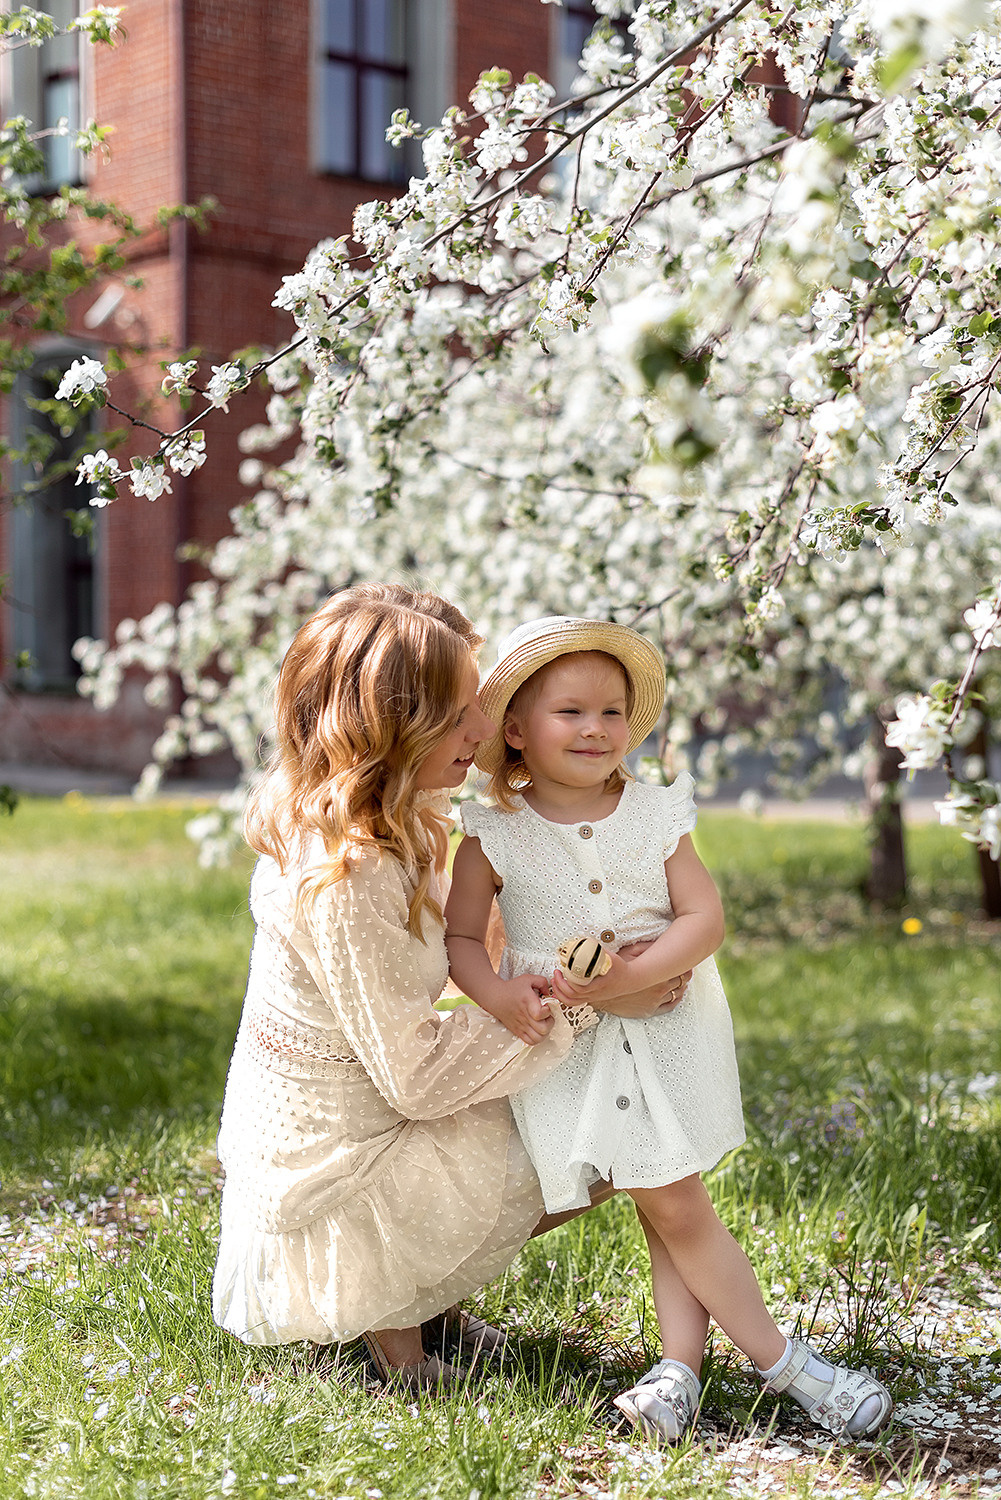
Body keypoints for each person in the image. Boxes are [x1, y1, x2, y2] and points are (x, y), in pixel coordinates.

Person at [211, 585, 684, 1392]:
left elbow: (478, 943)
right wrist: (584, 1002)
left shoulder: (398, 819)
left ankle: (428, 1302)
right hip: (336, 1171)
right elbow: (416, 1077)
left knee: (593, 1104)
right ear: (390, 725)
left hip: (370, 1115)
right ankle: (399, 1336)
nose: (482, 731)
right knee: (602, 1127)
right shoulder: (349, 873)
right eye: (460, 713)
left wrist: (590, 933)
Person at [445, 615, 893, 1443]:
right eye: (569, 712)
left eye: (611, 712)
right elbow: (462, 939)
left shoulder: (653, 812)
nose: (595, 728)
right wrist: (498, 995)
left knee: (670, 1199)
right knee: (671, 1201)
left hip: (669, 1029)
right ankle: (784, 1367)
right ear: (515, 730)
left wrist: (629, 978)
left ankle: (686, 1373)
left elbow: (702, 917)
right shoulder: (493, 831)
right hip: (568, 1045)